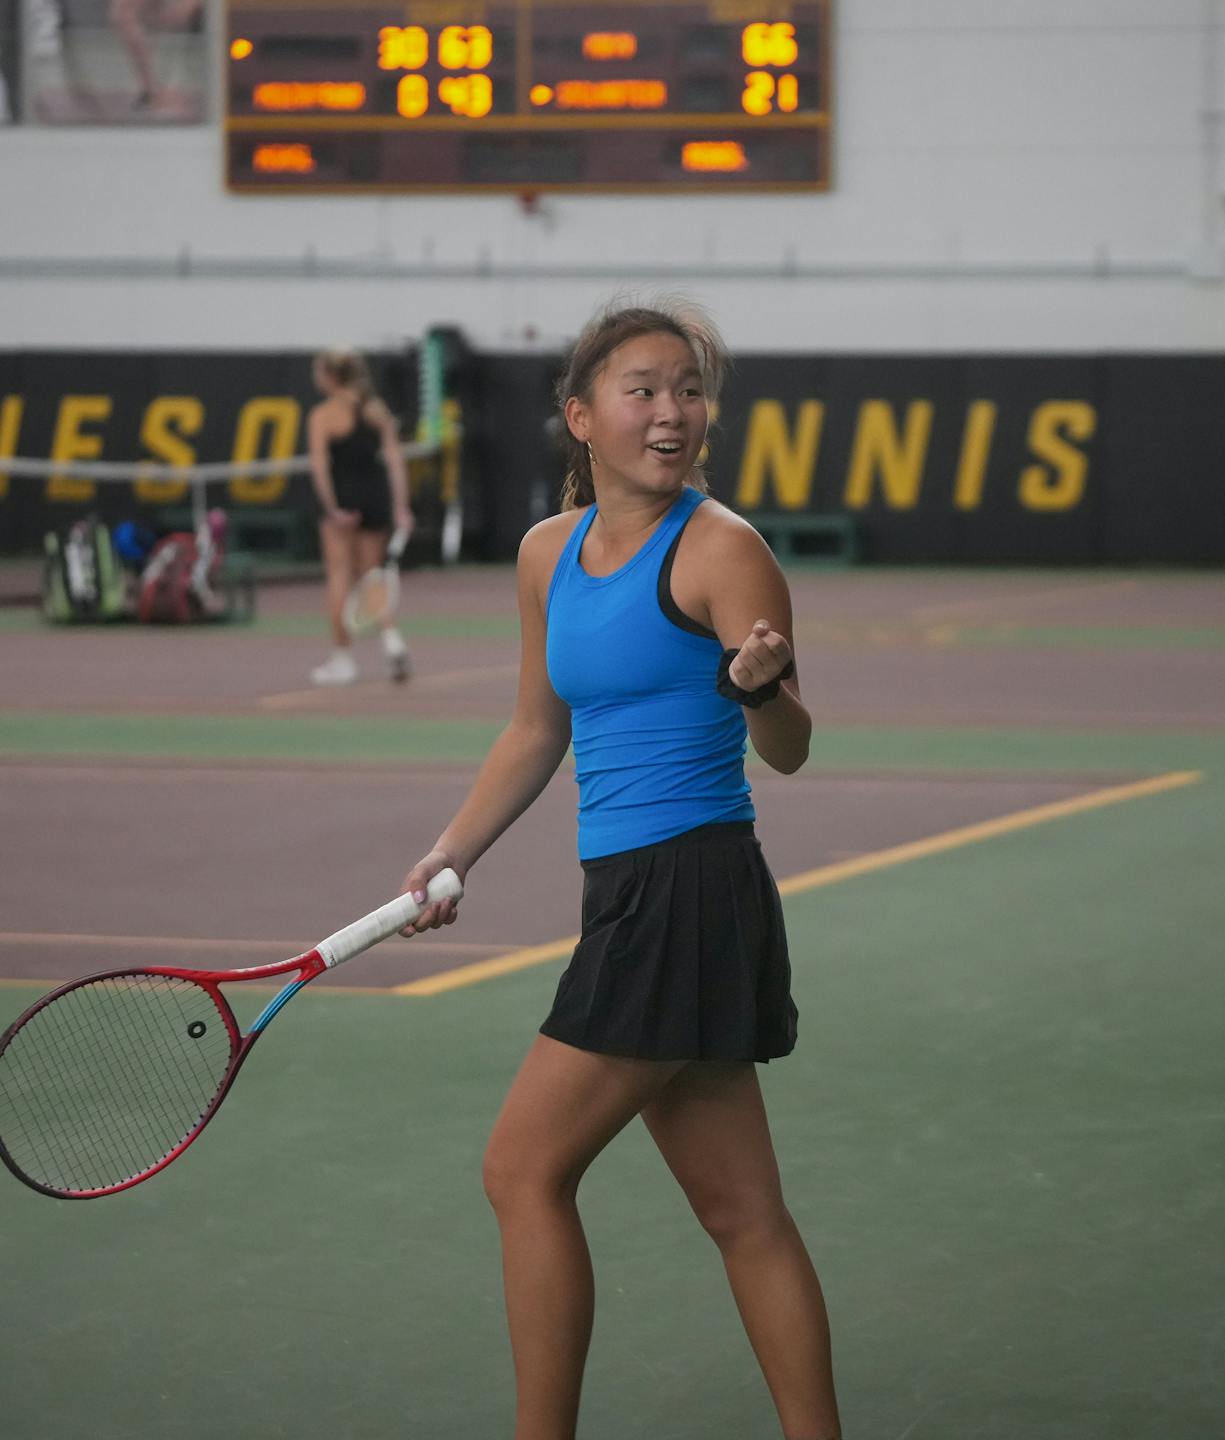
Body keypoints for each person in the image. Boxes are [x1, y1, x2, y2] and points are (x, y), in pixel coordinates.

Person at [397, 300, 842, 1440]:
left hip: (687, 890)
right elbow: (536, 730)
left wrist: (761, 692)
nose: (671, 412)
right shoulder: (546, 555)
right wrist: (452, 852)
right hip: (635, 893)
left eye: (688, 390)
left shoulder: (723, 549)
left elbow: (790, 748)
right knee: (743, 1212)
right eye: (642, 390)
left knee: (521, 1172)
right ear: (582, 416)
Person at [304, 347, 415, 686]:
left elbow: (320, 467)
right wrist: (401, 507)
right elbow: (395, 463)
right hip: (374, 500)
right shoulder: (376, 411)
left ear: (331, 376)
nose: (316, 377)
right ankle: (392, 641)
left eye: (319, 371)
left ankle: (342, 659)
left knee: (339, 576)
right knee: (372, 577)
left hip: (345, 501)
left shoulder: (323, 416)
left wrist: (333, 509)